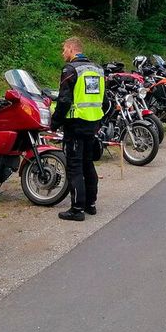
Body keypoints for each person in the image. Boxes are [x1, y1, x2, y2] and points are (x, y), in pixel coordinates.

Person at [50, 37, 105, 221]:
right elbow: (105, 100)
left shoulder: (70, 69)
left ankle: (77, 209)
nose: (63, 53)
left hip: (75, 124)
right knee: (88, 164)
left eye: (64, 49)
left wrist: (54, 123)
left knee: (75, 167)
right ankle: (91, 204)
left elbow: (64, 100)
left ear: (72, 49)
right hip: (93, 122)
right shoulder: (98, 69)